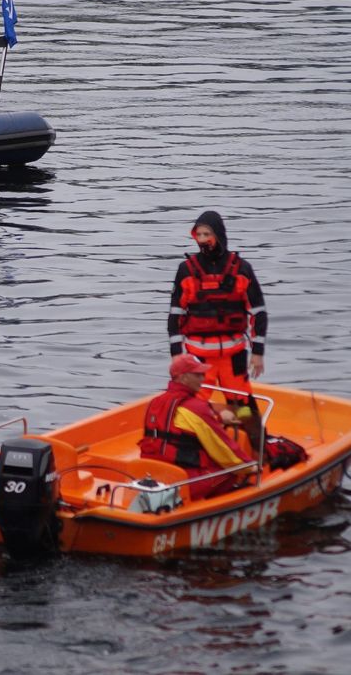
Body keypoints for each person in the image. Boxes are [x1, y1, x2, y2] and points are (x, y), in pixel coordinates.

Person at [167, 210, 267, 443]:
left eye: (207, 234)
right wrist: (176, 356)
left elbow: (259, 313)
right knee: (193, 408)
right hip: (199, 360)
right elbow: (175, 317)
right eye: (199, 234)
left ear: (219, 235)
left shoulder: (241, 268)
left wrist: (258, 353)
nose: (203, 239)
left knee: (244, 408)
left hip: (233, 358)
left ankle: (259, 451)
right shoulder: (186, 270)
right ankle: (191, 453)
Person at [140, 354, 251, 499]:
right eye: (197, 375)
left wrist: (218, 417)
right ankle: (213, 506)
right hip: (183, 480)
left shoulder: (155, 402)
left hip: (151, 472)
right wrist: (250, 466)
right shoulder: (196, 408)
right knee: (231, 472)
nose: (203, 379)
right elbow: (222, 448)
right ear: (183, 377)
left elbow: (181, 424)